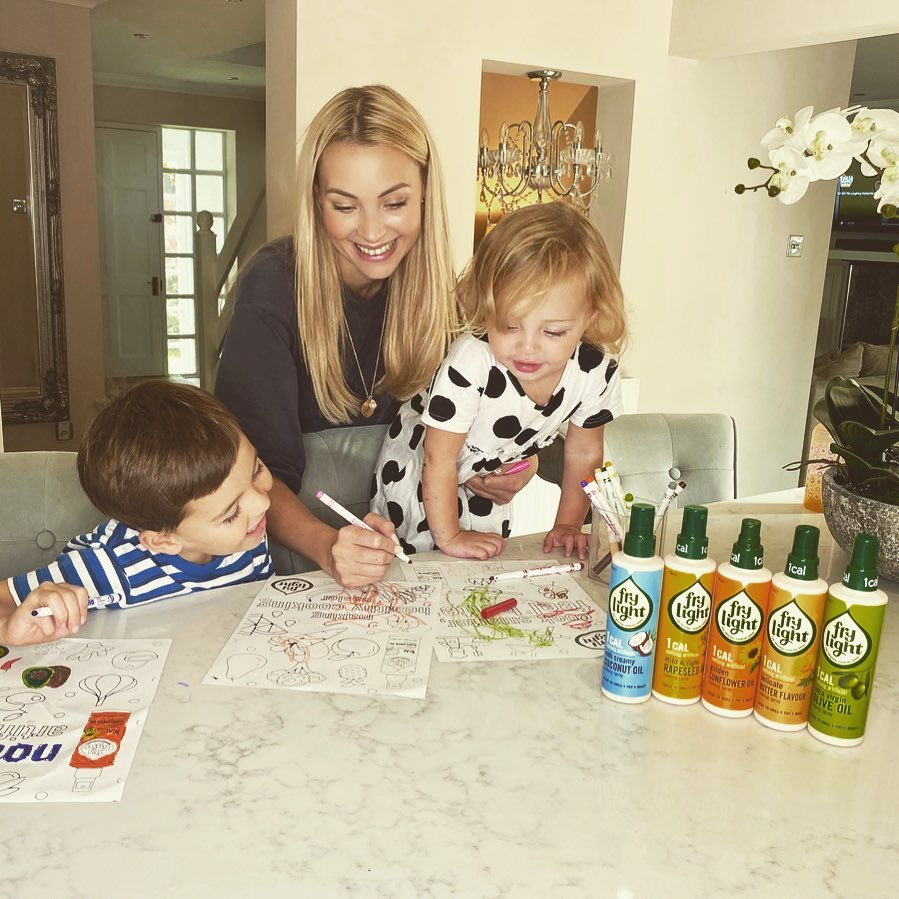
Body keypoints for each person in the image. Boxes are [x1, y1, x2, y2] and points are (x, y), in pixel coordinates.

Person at [215, 84, 534, 587]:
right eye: (345, 206)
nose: (371, 232)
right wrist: (328, 546)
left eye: (394, 203)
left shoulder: (446, 301)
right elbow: (247, 475)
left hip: (411, 562)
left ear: (424, 193)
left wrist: (509, 465)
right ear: (317, 202)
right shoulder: (272, 287)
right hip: (299, 564)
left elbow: (492, 418)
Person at [371, 201, 627, 560]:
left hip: (484, 481)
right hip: (420, 475)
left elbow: (585, 451)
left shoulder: (596, 373)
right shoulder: (473, 360)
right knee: (422, 566)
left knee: (479, 567)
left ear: (589, 318)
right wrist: (449, 536)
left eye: (553, 332)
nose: (527, 348)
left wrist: (568, 524)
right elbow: (438, 459)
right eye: (509, 325)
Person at [0, 380, 273, 647]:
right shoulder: (109, 567)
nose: (261, 503)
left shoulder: (248, 532)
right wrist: (8, 629)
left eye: (256, 470)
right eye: (230, 513)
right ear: (164, 541)